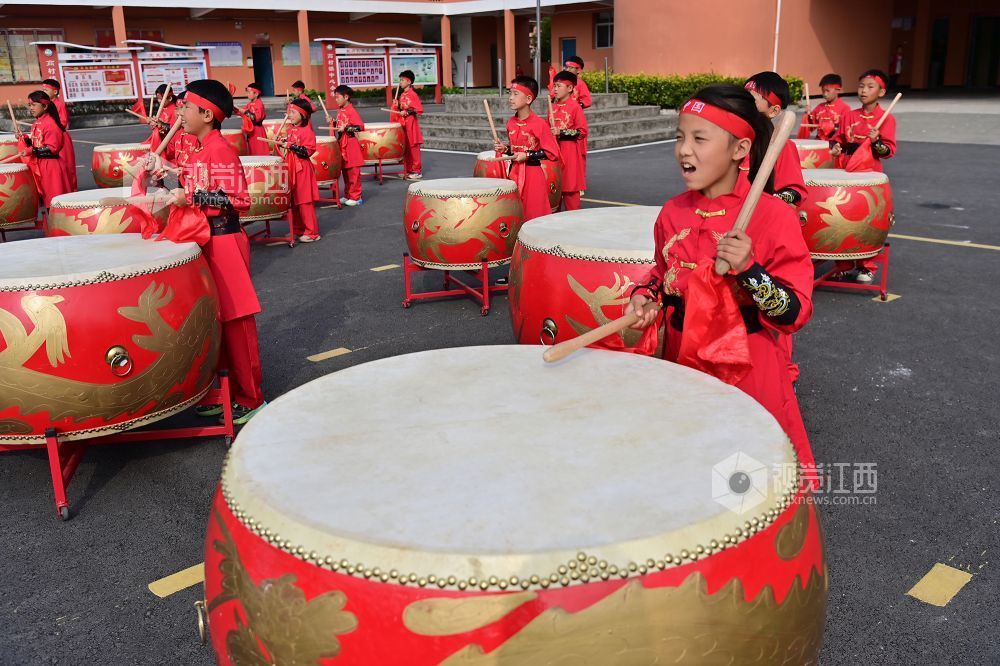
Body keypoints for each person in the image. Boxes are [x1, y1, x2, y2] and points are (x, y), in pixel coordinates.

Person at [626, 84, 816, 471]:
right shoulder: (672, 212)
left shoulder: (772, 216)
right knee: (686, 469)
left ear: (740, 150)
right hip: (681, 358)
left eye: (699, 138)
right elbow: (664, 276)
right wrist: (646, 295)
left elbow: (794, 313)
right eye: (680, 137)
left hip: (747, 364)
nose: (684, 150)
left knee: (745, 480)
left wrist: (751, 270)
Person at [144, 79, 266, 425]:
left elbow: (239, 200)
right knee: (215, 321)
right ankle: (226, 391)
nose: (179, 112)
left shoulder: (220, 150)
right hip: (205, 241)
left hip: (225, 241)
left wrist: (193, 197)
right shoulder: (198, 148)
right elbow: (192, 184)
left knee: (237, 322)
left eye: (186, 107)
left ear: (208, 115)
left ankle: (251, 397)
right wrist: (166, 177)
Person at [829, 69, 898, 283]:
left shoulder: (886, 119)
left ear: (882, 91)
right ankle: (843, 264)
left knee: (867, 220)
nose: (864, 90)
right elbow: (837, 138)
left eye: (870, 87)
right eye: (861, 86)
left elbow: (888, 152)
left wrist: (876, 141)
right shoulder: (849, 115)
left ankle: (867, 266)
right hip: (845, 169)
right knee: (842, 214)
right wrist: (836, 147)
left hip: (868, 173)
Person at [493, 76, 559, 221]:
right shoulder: (511, 122)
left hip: (532, 175)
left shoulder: (539, 124)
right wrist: (505, 149)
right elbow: (516, 150)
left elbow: (552, 153)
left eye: (515, 94)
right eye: (510, 93)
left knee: (534, 216)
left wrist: (527, 155)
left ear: (528, 99)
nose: (511, 98)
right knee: (515, 215)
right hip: (514, 173)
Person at [744, 72, 806, 208]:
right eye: (742, 98)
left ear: (773, 110)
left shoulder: (783, 146)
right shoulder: (733, 140)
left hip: (762, 216)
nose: (743, 105)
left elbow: (794, 192)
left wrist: (764, 201)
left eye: (751, 100)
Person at [279, 98, 321, 243]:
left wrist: (290, 146)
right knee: (294, 201)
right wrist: (283, 142)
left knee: (304, 201)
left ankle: (312, 232)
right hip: (291, 166)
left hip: (302, 168)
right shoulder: (292, 129)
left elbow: (308, 151)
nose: (289, 115)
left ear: (303, 115)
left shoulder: (307, 131)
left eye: (292, 112)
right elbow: (289, 146)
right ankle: (297, 230)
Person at [19, 91, 70, 208]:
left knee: (54, 203)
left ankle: (55, 225)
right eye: (29, 105)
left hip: (51, 166)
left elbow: (52, 148)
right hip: (40, 165)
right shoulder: (37, 123)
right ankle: (48, 225)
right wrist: (25, 138)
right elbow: (36, 143)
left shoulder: (51, 124)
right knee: (46, 201)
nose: (31, 108)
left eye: (34, 105)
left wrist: (32, 151)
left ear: (45, 106)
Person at [548, 71, 588, 211]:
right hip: (554, 154)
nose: (555, 89)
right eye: (554, 86)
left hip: (569, 154)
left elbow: (582, 131)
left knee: (570, 192)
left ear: (570, 88)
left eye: (559, 86)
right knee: (554, 193)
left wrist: (561, 132)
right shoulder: (551, 107)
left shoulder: (575, 107)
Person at [40, 79, 76, 191]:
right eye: (43, 90)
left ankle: (71, 191)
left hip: (61, 138)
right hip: (53, 138)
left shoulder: (58, 105)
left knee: (66, 165)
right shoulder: (48, 105)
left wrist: (49, 127)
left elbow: (63, 123)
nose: (44, 92)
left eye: (46, 90)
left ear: (55, 92)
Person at [332, 84, 365, 206]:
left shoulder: (351, 110)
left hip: (351, 144)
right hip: (342, 144)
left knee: (353, 172)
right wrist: (333, 122)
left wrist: (346, 128)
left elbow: (360, 127)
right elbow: (339, 125)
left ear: (346, 97)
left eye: (338, 97)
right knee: (345, 172)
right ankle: (348, 195)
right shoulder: (340, 111)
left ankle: (356, 197)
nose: (336, 100)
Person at [392, 69, 424, 180]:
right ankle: (408, 170)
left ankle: (417, 171)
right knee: (406, 148)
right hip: (404, 124)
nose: (400, 82)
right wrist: (397, 106)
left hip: (411, 124)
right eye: (400, 80)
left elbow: (419, 109)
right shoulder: (402, 95)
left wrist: (407, 112)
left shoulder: (413, 94)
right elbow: (402, 108)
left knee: (413, 148)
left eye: (402, 80)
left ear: (409, 82)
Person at [807, 73, 852, 141]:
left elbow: (846, 130)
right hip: (819, 142)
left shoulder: (845, 108)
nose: (825, 94)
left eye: (828, 91)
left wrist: (832, 127)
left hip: (836, 144)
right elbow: (811, 128)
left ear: (838, 90)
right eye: (823, 91)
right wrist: (808, 114)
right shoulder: (820, 107)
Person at [145, 84, 176, 151]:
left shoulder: (175, 109)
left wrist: (160, 125)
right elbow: (157, 126)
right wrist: (152, 123)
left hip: (170, 142)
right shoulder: (163, 108)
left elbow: (174, 129)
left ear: (170, 98)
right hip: (161, 140)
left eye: (161, 99)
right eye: (158, 98)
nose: (159, 101)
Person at [242, 82, 269, 157]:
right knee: (253, 152)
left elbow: (256, 118)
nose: (247, 94)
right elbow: (241, 112)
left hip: (258, 131)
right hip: (252, 131)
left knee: (260, 152)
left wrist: (245, 112)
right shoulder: (249, 104)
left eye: (249, 92)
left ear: (256, 94)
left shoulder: (259, 104)